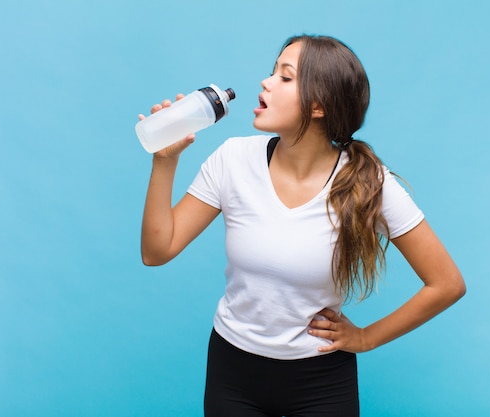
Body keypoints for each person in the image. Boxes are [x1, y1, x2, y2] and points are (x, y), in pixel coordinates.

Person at [139, 34, 465, 417]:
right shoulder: (232, 160)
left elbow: (446, 283)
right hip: (233, 371)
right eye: (272, 71)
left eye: (285, 76)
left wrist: (366, 338)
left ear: (318, 105)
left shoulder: (366, 181)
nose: (266, 82)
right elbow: (156, 252)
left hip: (321, 381)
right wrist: (165, 161)